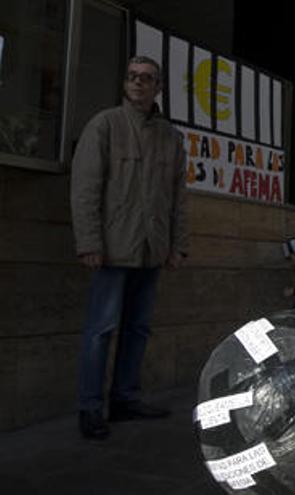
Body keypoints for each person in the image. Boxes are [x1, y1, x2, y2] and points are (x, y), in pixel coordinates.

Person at [70, 56, 188, 440]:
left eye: (147, 79)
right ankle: (90, 408)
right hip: (112, 248)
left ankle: (124, 399)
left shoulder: (171, 137)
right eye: (133, 77)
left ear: (158, 88)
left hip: (152, 249)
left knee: (137, 329)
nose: (138, 83)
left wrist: (177, 245)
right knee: (100, 330)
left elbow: (178, 198)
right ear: (125, 84)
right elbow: (85, 188)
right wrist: (89, 241)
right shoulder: (104, 125)